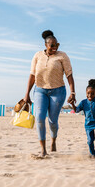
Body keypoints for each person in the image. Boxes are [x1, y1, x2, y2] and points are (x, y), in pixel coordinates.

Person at [23, 30, 76, 158]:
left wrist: (72, 92)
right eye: (51, 45)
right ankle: (43, 149)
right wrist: (27, 94)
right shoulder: (37, 56)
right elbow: (32, 75)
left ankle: (53, 140)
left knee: (52, 121)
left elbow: (69, 75)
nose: (54, 48)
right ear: (45, 45)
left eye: (56, 45)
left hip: (57, 91)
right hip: (40, 90)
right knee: (40, 118)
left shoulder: (62, 56)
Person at [71, 79, 95, 158]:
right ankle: (92, 153)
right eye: (88, 93)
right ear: (86, 93)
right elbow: (76, 110)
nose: (90, 95)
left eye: (92, 93)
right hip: (88, 125)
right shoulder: (83, 102)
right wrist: (72, 104)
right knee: (90, 140)